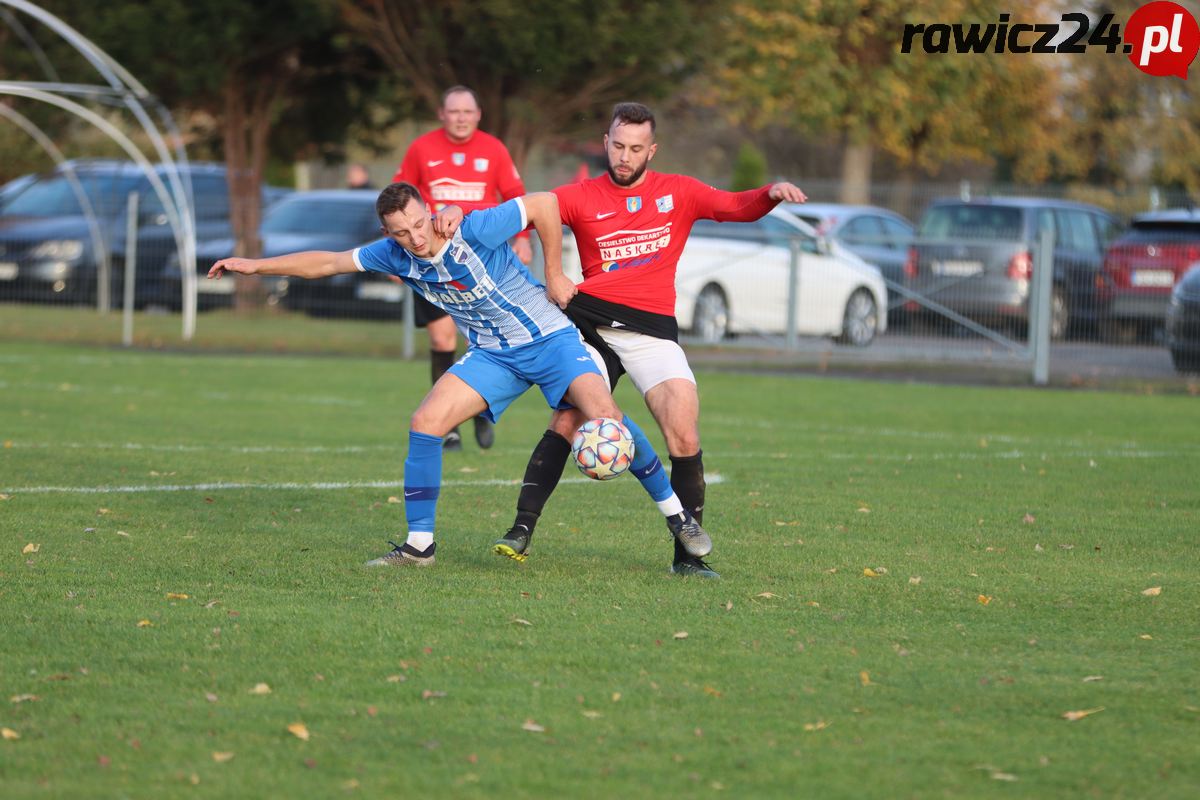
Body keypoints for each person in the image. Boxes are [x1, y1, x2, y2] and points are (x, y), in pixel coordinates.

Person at [206, 182, 712, 569]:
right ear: (389, 234)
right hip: (494, 355)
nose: (415, 238)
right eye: (402, 232)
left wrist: (556, 271)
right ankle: (419, 547)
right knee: (426, 422)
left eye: (419, 224)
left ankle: (678, 518)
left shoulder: (469, 228)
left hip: (552, 341)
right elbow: (327, 262)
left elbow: (542, 205)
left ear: (428, 211)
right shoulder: (393, 254)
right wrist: (253, 266)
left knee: (606, 418)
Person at [445, 102, 806, 578]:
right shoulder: (578, 195)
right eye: (618, 145)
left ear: (651, 150)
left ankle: (687, 558)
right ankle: (521, 529)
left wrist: (771, 193)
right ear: (606, 142)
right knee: (568, 419)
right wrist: (455, 210)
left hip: (650, 330)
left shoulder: (679, 192)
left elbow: (736, 206)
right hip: (589, 324)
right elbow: (513, 214)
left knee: (683, 427)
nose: (625, 156)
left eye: (636, 148)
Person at [393, 85, 532, 452]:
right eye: (453, 112)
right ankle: (449, 426)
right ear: (442, 114)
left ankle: (483, 410)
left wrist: (523, 238)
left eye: (467, 112)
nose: (460, 118)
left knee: (482, 339)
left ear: (478, 115)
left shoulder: (494, 149)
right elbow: (399, 198)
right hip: (431, 261)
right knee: (442, 339)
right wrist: (398, 249)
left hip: (482, 261)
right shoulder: (422, 149)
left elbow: (517, 197)